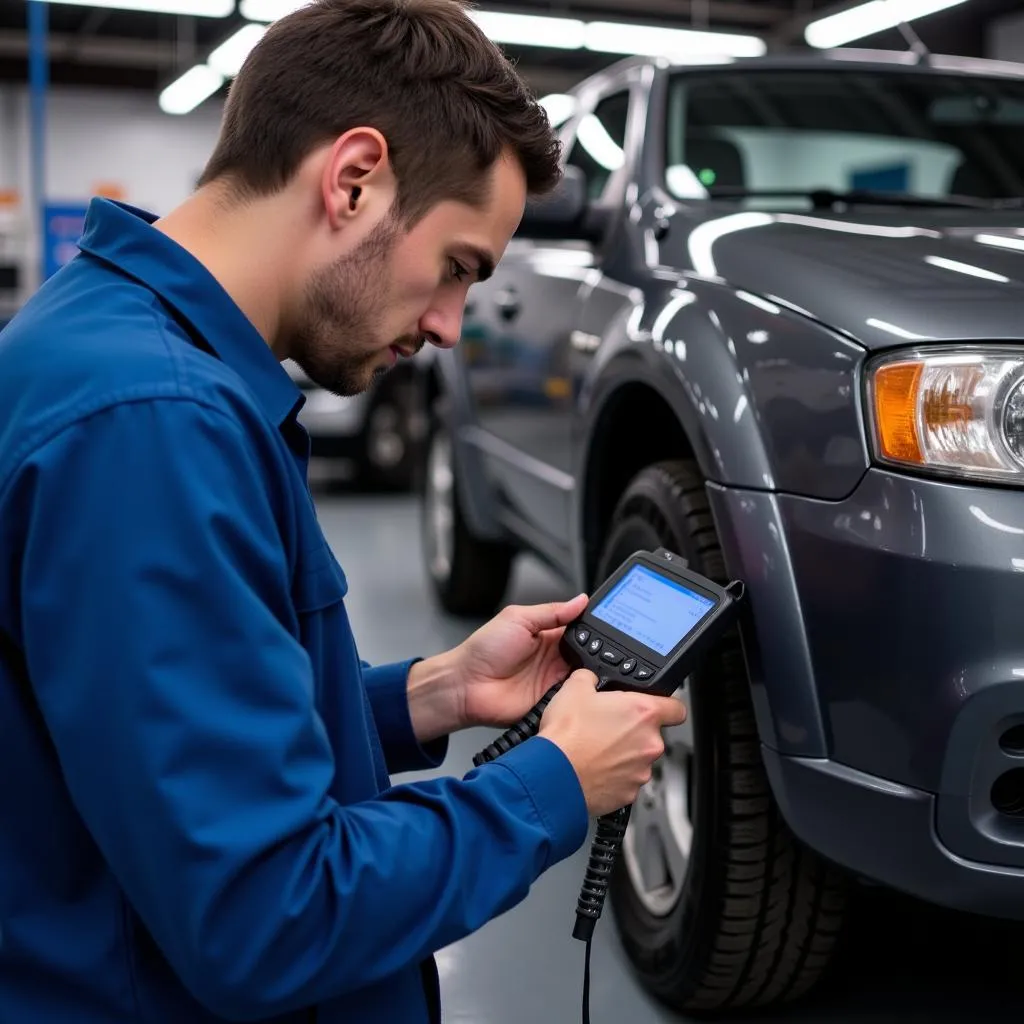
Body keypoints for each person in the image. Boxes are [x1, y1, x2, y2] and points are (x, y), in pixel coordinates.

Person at [0, 1, 686, 1022]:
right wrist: (550, 783)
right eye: (457, 266)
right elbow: (267, 915)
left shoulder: (111, 349)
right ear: (353, 178)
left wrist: (429, 693)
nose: (454, 325)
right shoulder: (154, 425)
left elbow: (147, 743)